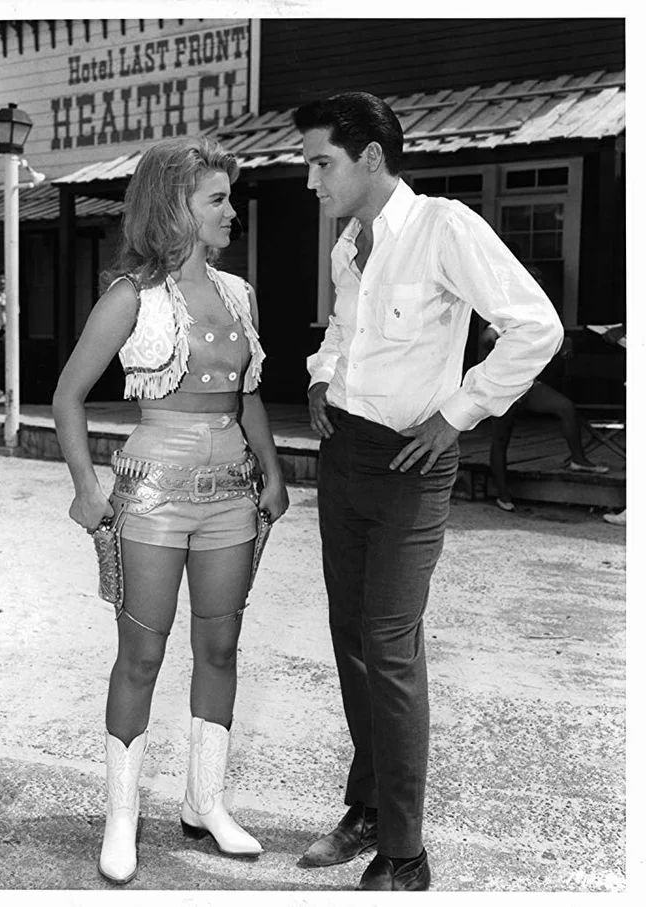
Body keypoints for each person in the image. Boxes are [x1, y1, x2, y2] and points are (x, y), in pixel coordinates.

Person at [293, 92, 563, 892]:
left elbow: (534, 325)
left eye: (321, 162)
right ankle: (368, 806)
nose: (311, 180)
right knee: (350, 637)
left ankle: (405, 853)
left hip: (414, 464)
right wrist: (318, 374)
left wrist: (459, 413)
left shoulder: (445, 228)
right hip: (345, 454)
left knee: (390, 642)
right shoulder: (351, 245)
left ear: (370, 156)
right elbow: (346, 329)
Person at [52, 136, 289, 885]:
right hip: (152, 490)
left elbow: (245, 393)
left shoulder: (240, 293)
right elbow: (65, 396)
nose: (231, 213)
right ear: (174, 208)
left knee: (221, 649)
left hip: (232, 494)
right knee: (142, 655)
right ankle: (122, 816)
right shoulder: (130, 296)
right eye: (216, 199)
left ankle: (203, 802)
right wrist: (88, 487)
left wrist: (275, 474)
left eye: (229, 198)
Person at [481, 322, 608, 513]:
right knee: (501, 437)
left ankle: (578, 460)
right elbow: (487, 338)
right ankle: (502, 493)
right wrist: (507, 353)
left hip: (527, 385)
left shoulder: (537, 317)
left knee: (565, 407)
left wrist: (564, 342)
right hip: (501, 384)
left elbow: (553, 337)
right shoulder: (505, 317)